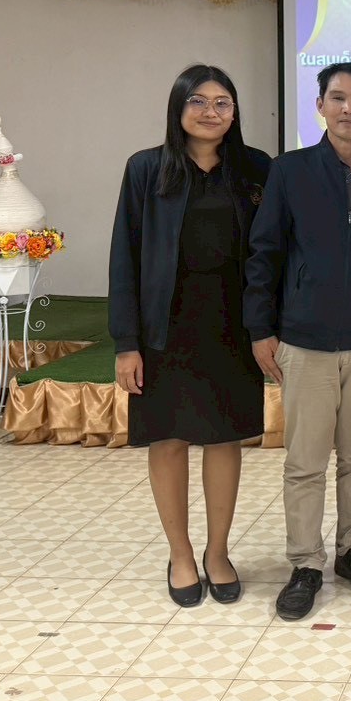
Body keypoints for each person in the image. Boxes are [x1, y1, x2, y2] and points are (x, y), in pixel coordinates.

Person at [109, 64, 271, 608]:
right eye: (198, 101)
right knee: (169, 438)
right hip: (164, 329)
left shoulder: (255, 168)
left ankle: (218, 552)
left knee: (224, 437)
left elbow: (270, 253)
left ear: (235, 112)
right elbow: (125, 257)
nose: (210, 112)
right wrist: (126, 343)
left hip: (231, 326)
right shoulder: (146, 169)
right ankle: (180, 554)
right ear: (178, 108)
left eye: (222, 102)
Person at [245, 62, 351, 622]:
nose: (348, 108)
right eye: (337, 98)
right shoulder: (290, 171)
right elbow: (265, 253)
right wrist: (261, 328)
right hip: (304, 341)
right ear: (320, 106)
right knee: (305, 461)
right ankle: (305, 563)